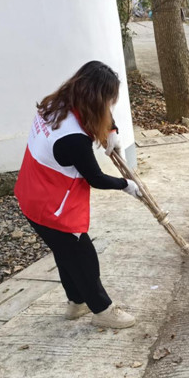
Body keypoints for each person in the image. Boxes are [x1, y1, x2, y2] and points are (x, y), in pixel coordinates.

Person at [14, 61, 142, 328]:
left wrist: (112, 131)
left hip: (30, 193)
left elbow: (101, 113)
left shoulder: (55, 105)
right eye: (108, 100)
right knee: (83, 255)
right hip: (49, 206)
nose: (110, 107)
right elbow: (95, 178)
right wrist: (126, 185)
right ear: (94, 98)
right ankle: (103, 310)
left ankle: (76, 303)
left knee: (64, 253)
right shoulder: (73, 138)